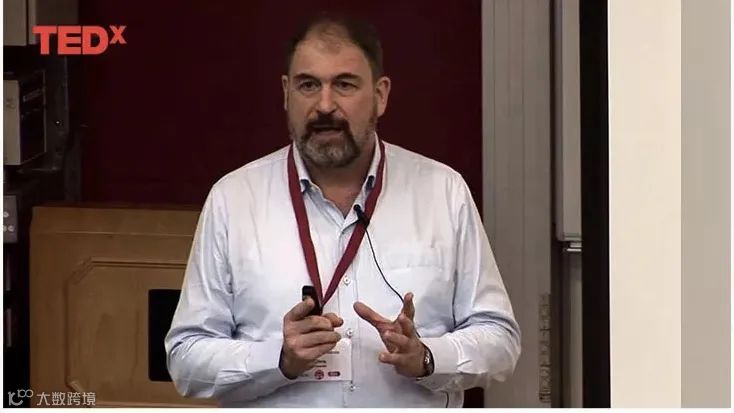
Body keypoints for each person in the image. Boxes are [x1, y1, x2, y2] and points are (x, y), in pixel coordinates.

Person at [164, 12, 520, 408]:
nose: (325, 105)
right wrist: (277, 359)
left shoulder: (443, 192)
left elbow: (500, 339)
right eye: (308, 85)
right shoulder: (233, 199)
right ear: (286, 93)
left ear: (381, 95)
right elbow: (185, 357)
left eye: (345, 84)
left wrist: (427, 357)